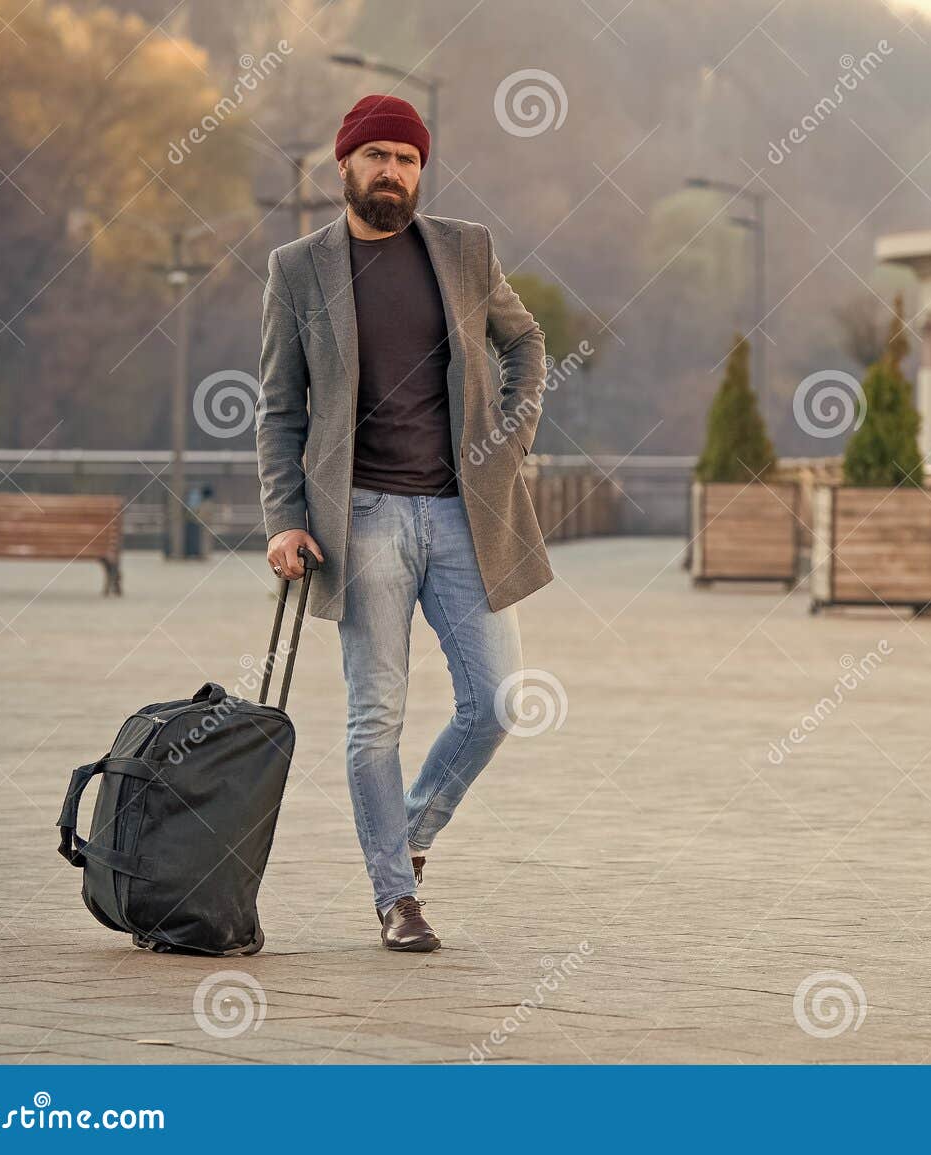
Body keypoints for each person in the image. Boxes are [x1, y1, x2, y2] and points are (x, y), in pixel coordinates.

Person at [255, 94, 554, 951]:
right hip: (362, 518)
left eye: (409, 158)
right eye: (378, 155)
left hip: (466, 514)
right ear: (344, 164)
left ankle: (410, 832)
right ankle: (395, 897)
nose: (394, 171)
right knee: (374, 716)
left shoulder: (463, 250)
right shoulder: (298, 268)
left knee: (496, 701)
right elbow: (278, 409)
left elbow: (524, 341)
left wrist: (511, 435)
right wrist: (283, 519)